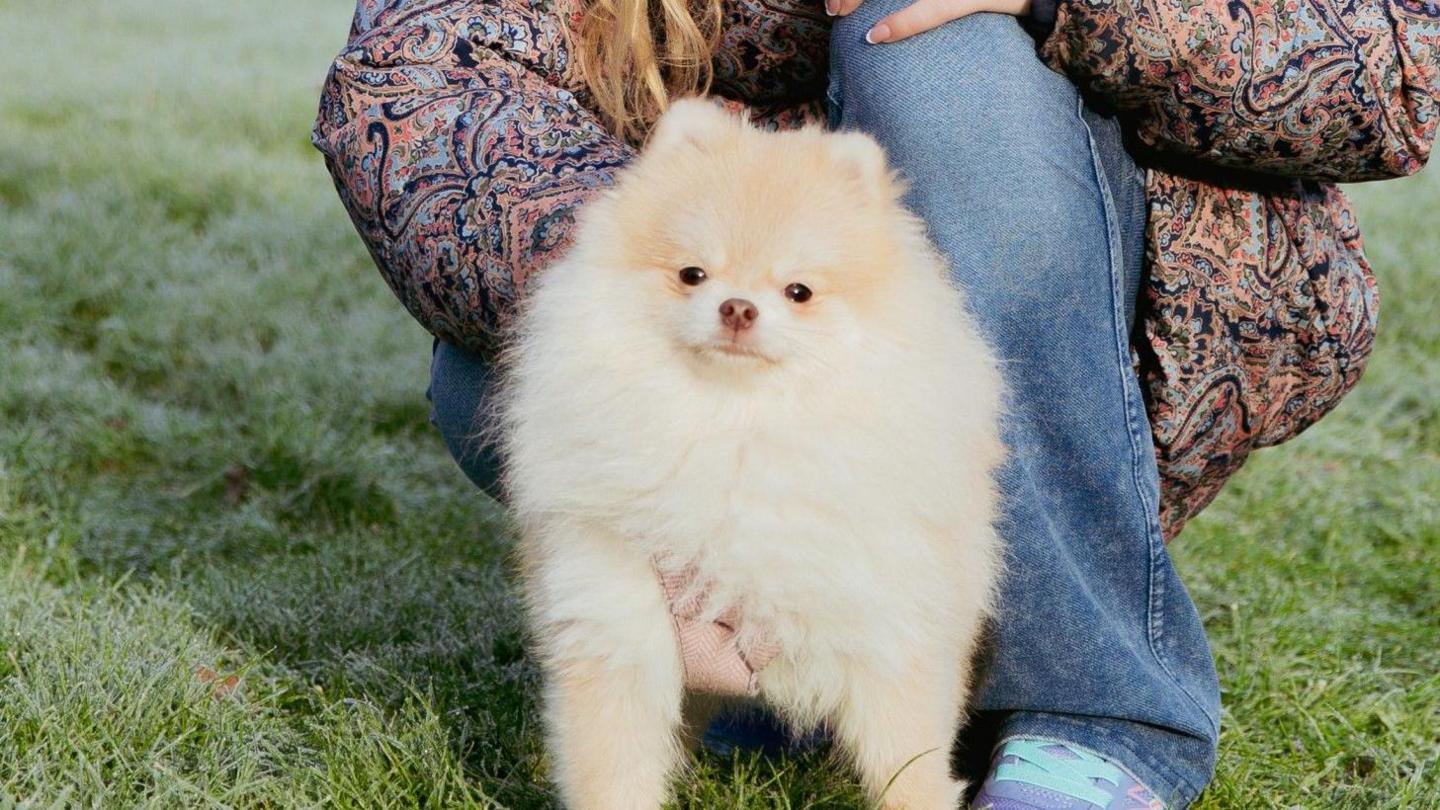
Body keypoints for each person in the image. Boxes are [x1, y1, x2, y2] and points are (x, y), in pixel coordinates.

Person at [313, 0, 1437, 805]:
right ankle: (779, 664)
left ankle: (1098, 708)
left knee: (928, 52)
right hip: (773, 333)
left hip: (1085, 319)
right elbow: (414, 78)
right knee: (502, 380)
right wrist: (675, 249)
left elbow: (1398, 61)